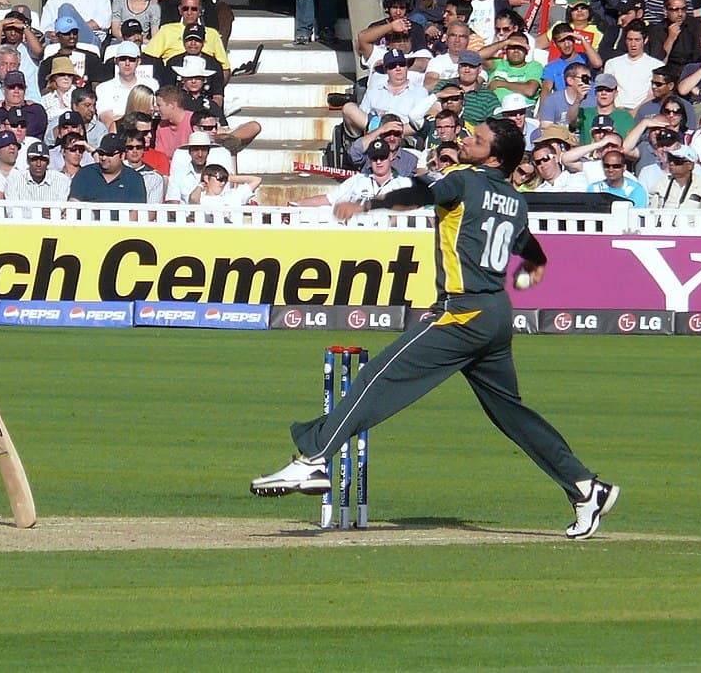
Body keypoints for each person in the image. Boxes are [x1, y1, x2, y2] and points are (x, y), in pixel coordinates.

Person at [250, 117, 621, 540]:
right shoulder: (515, 200)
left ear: (494, 157)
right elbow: (533, 252)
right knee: (510, 413)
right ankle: (585, 486)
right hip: (495, 316)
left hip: (463, 317)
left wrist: (369, 205)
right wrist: (527, 272)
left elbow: (421, 192)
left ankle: (315, 457)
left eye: (477, 140)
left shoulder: (465, 181)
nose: (467, 140)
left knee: (377, 377)